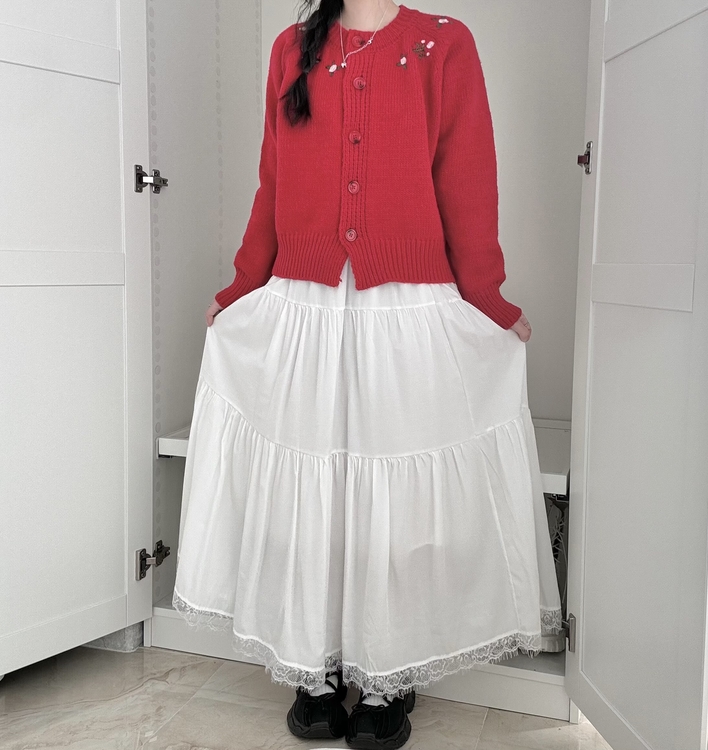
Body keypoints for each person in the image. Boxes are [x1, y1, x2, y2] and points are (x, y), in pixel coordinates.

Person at [172, 1, 563, 748]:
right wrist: (243, 284)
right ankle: (314, 667)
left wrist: (486, 297)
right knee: (313, 489)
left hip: (405, 307)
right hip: (306, 303)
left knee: (396, 500)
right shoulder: (293, 48)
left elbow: (467, 175)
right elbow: (272, 179)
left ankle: (389, 673)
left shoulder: (443, 44)